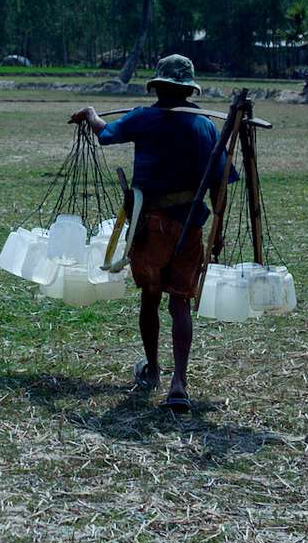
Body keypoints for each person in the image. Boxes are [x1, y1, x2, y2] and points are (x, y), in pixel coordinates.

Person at [69, 53, 229, 411]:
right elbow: (221, 182)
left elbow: (106, 135)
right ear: (188, 90)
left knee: (150, 297)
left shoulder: (144, 117)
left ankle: (153, 370)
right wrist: (217, 228)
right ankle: (179, 383)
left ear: (158, 87)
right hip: (190, 227)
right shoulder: (204, 125)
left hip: (150, 226)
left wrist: (91, 113)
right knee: (180, 302)